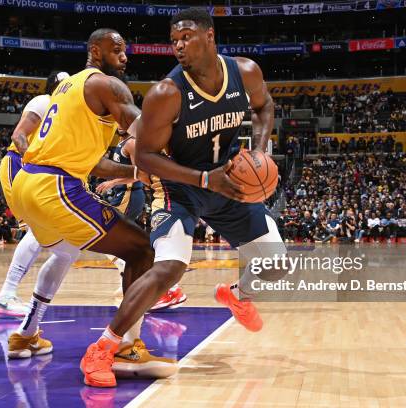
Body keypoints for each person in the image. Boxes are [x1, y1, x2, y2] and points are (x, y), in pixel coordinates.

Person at [80, 9, 286, 387]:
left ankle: (236, 295)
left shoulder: (246, 72)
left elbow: (264, 107)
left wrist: (259, 152)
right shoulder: (167, 93)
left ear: (210, 36)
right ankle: (103, 348)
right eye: (173, 40)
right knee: (169, 267)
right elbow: (144, 157)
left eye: (187, 37)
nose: (178, 46)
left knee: (274, 263)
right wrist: (205, 179)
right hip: (179, 188)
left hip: (228, 181)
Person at [7, 29, 176, 382]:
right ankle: (126, 348)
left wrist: (134, 172)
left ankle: (26, 331)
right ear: (95, 50)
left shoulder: (68, 91)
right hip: (55, 186)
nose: (124, 57)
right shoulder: (107, 86)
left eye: (125, 51)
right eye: (117, 50)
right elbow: (143, 129)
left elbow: (95, 163)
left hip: (27, 185)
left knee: (63, 255)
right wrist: (187, 154)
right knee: (140, 248)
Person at [0, 71, 70, 318]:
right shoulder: (43, 101)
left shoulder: (62, 111)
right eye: (63, 85)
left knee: (42, 232)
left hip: (32, 168)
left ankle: (8, 295)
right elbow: (18, 135)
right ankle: (5, 296)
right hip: (19, 162)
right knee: (36, 231)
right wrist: (32, 164)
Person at [95, 133, 187, 310]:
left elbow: (139, 174)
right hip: (124, 195)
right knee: (126, 241)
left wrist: (114, 182)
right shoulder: (122, 142)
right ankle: (138, 278)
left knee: (100, 232)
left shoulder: (131, 143)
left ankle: (159, 285)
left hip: (129, 194)